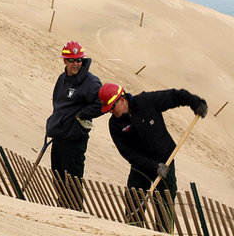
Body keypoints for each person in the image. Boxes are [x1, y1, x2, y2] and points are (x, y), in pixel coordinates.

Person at [98, 83, 208, 230]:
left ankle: (163, 232)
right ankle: (132, 231)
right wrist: (154, 167)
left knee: (164, 204)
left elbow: (175, 96)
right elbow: (128, 153)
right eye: (108, 109)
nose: (110, 111)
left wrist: (195, 102)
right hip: (141, 167)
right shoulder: (115, 125)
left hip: (165, 161)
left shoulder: (146, 102)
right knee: (133, 202)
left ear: (121, 99)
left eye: (112, 107)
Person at [45, 40, 102, 210]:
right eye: (72, 60)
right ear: (65, 61)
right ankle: (62, 206)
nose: (76, 64)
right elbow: (57, 102)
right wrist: (56, 122)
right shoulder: (62, 78)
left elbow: (102, 103)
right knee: (58, 174)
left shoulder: (90, 81)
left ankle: (75, 210)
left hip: (75, 138)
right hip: (59, 135)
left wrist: (82, 115)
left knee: (73, 177)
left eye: (79, 60)